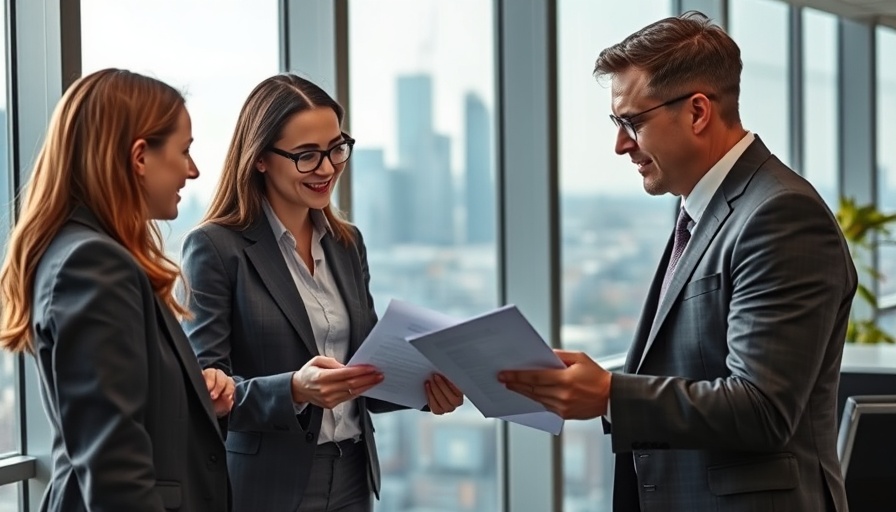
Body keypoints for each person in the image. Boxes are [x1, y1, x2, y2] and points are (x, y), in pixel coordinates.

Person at [499, 11, 856, 512]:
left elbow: (763, 408)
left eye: (632, 122)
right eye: (616, 123)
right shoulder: (700, 206)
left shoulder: (780, 213)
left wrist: (609, 396)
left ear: (696, 112)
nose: (620, 144)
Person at [179, 73, 465, 512]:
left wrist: (426, 391)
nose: (328, 168)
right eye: (307, 156)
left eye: (336, 148)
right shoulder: (217, 248)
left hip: (352, 474)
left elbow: (364, 376)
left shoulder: (346, 243)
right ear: (260, 159)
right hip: (266, 486)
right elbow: (205, 393)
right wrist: (293, 389)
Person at [0, 68, 234, 511]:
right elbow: (115, 473)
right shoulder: (93, 264)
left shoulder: (87, 252)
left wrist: (189, 397)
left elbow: (116, 412)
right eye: (183, 151)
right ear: (140, 156)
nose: (193, 169)